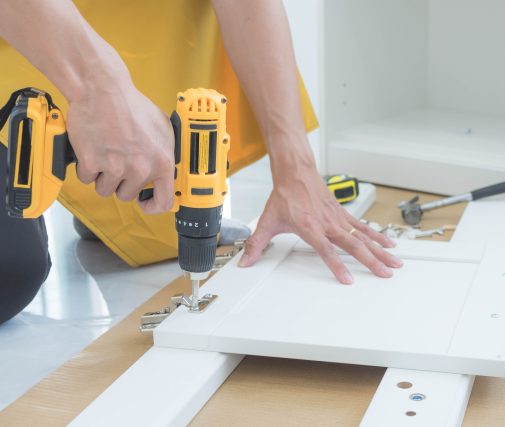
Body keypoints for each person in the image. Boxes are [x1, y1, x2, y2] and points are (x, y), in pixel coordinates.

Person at [0, 0, 402, 325]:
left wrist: (296, 169)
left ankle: (102, 190)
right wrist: (98, 86)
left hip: (138, 43)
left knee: (158, 218)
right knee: (9, 274)